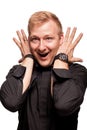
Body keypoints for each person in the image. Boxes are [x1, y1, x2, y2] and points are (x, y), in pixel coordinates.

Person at [0, 11, 87, 130]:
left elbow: (64, 104)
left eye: (48, 38)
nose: (41, 47)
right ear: (28, 41)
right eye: (35, 39)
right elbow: (11, 102)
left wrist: (61, 59)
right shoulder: (18, 69)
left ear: (61, 39)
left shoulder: (76, 72)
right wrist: (28, 58)